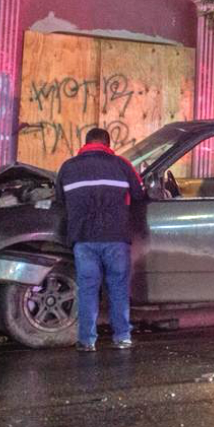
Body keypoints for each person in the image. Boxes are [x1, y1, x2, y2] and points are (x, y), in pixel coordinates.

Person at [55, 127, 145, 352]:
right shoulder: (122, 165)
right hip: (116, 237)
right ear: (107, 143)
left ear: (85, 143)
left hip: (83, 239)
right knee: (118, 288)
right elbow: (139, 194)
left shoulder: (68, 167)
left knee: (87, 289)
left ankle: (87, 341)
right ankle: (122, 337)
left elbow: (59, 200)